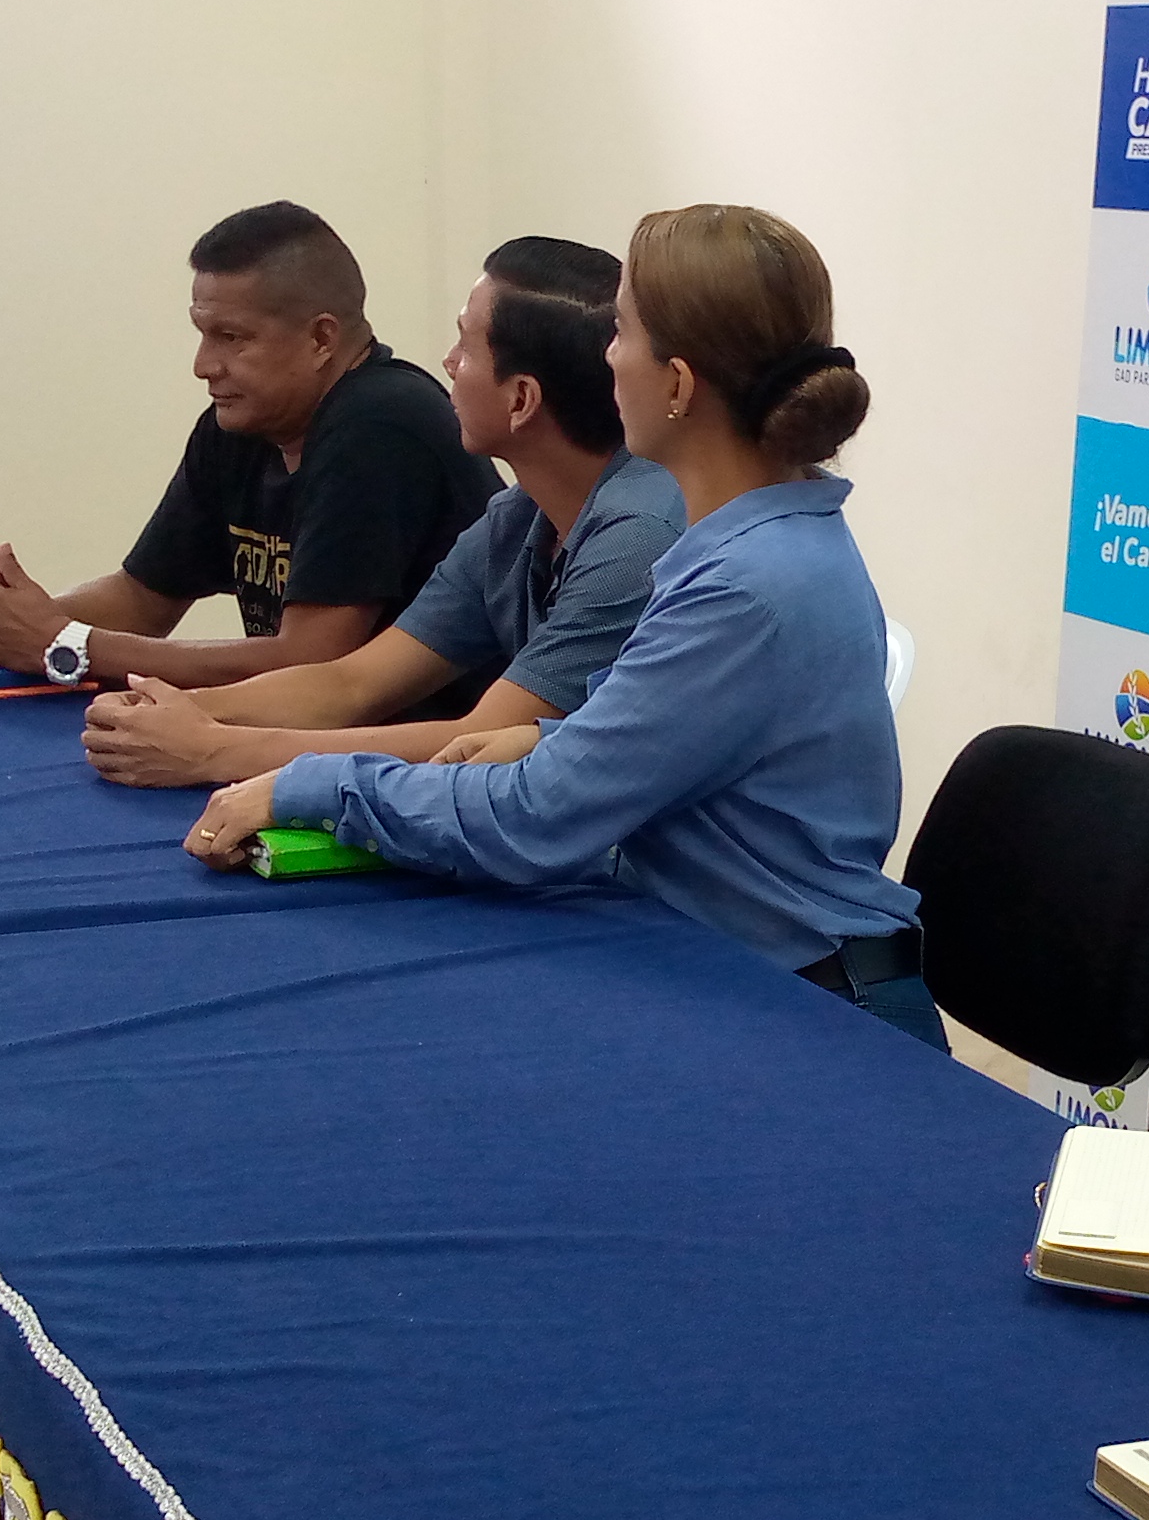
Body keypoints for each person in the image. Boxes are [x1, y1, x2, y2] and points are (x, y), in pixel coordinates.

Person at [185, 203, 937, 1044]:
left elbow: (532, 821)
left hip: (817, 1014)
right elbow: (673, 738)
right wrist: (547, 738)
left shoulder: (744, 585)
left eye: (622, 333)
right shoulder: (751, 543)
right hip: (745, 975)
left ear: (678, 385)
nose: (605, 357)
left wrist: (309, 786)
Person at [74, 246, 687, 787]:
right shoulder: (518, 515)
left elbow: (483, 743)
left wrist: (216, 749)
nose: (448, 362)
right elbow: (352, 683)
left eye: (465, 346)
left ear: (521, 398)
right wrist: (180, 709)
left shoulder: (636, 538)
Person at [0, 203, 494, 690]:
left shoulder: (381, 424)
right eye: (202, 333)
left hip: (439, 756)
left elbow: (312, 663)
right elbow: (143, 599)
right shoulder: (240, 427)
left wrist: (63, 644)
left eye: (230, 337)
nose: (203, 366)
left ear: (322, 338)